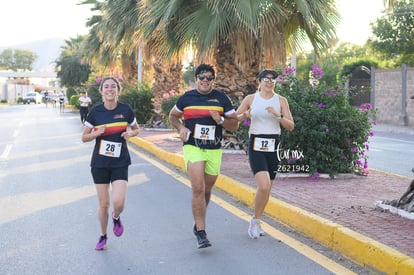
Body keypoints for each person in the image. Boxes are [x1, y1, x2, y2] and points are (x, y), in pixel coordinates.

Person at [169, 64, 238, 249]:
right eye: (202, 77)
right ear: (196, 79)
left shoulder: (221, 98)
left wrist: (221, 120)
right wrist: (181, 127)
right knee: (198, 188)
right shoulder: (187, 98)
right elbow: (173, 116)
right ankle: (201, 232)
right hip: (193, 147)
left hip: (214, 148)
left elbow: (235, 125)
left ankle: (198, 221)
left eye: (209, 77)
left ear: (213, 80)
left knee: (207, 190)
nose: (205, 80)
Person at [81, 76, 139, 250]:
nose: (110, 89)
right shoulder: (95, 112)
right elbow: (84, 137)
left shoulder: (125, 110)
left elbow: (136, 129)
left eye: (113, 86)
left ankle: (116, 217)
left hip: (120, 161)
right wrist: (97, 133)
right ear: (101, 91)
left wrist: (130, 134)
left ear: (118, 90)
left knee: (119, 202)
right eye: (106, 86)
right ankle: (103, 235)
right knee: (104, 203)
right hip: (99, 163)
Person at [235, 69, 295, 239]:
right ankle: (254, 220)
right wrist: (244, 115)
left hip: (273, 145)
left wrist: (278, 116)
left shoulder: (281, 101)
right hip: (256, 143)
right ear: (259, 81)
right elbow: (235, 118)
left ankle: (258, 220)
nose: (269, 82)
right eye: (266, 79)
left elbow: (290, 126)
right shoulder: (251, 99)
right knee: (263, 185)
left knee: (268, 188)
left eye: (272, 80)